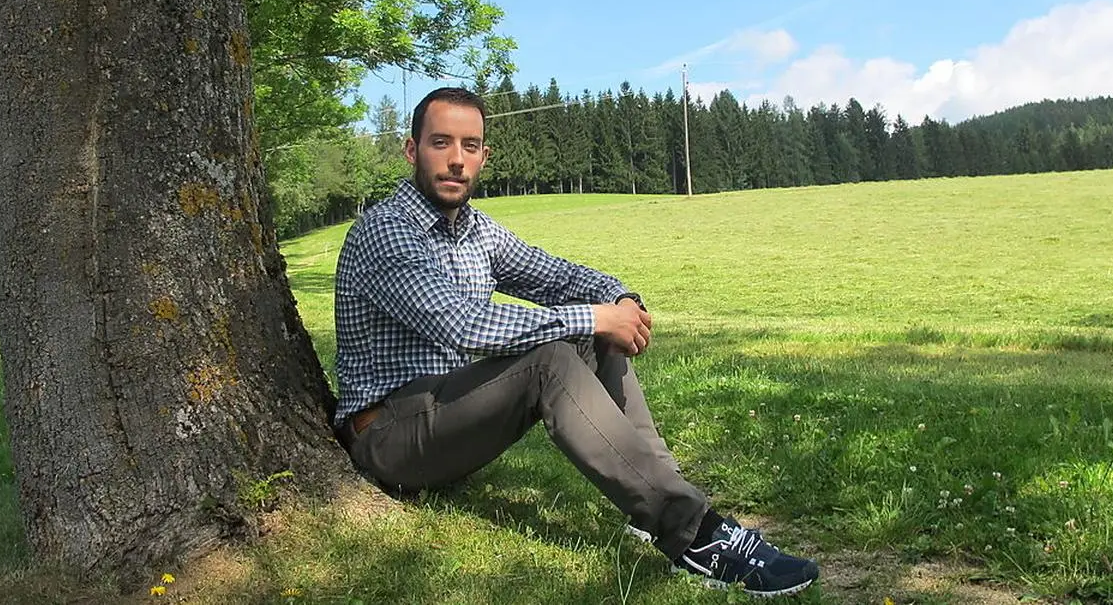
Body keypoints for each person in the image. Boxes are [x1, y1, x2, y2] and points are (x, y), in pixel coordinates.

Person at [332, 87, 820, 597]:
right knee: (554, 358)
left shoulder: (475, 230)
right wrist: (593, 317)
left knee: (594, 341)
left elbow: (555, 276)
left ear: (484, 156)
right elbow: (465, 326)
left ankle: (658, 494)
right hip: (389, 436)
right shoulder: (386, 230)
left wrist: (620, 299)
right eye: (441, 143)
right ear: (412, 151)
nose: (457, 160)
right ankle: (696, 536)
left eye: (470, 146)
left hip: (448, 410)